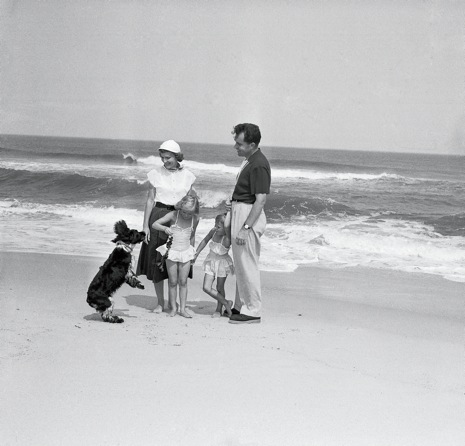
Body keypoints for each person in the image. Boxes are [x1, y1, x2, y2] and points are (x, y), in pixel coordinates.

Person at [136, 140, 196, 313]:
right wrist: (145, 227)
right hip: (159, 216)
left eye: (168, 157)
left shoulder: (188, 176)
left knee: (177, 258)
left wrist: (192, 228)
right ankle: (161, 303)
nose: (164, 161)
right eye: (162, 158)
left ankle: (176, 304)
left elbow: (191, 201)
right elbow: (149, 200)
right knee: (158, 260)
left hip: (179, 217)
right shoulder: (155, 174)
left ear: (177, 156)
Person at [227, 123, 271, 324]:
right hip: (240, 209)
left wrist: (246, 227)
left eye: (239, 144)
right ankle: (240, 305)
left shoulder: (259, 163)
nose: (236, 147)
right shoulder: (249, 160)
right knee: (241, 264)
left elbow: (260, 200)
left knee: (248, 263)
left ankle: (253, 310)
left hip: (248, 213)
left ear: (252, 144)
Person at [153, 195, 199, 318]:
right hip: (172, 252)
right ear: (180, 207)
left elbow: (192, 235)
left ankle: (183, 309)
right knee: (173, 282)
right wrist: (165, 228)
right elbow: (155, 224)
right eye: (184, 212)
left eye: (189, 213)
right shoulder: (174, 215)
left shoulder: (195, 219)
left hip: (186, 252)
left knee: (183, 282)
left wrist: (193, 252)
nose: (186, 215)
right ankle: (173, 308)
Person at [192, 213, 234, 318]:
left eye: (218, 226)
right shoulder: (213, 232)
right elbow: (205, 240)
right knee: (206, 287)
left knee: (220, 287)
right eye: (215, 224)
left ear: (226, 228)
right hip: (210, 261)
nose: (215, 227)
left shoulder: (228, 238)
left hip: (222, 263)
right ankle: (226, 302)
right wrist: (196, 254)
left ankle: (218, 309)